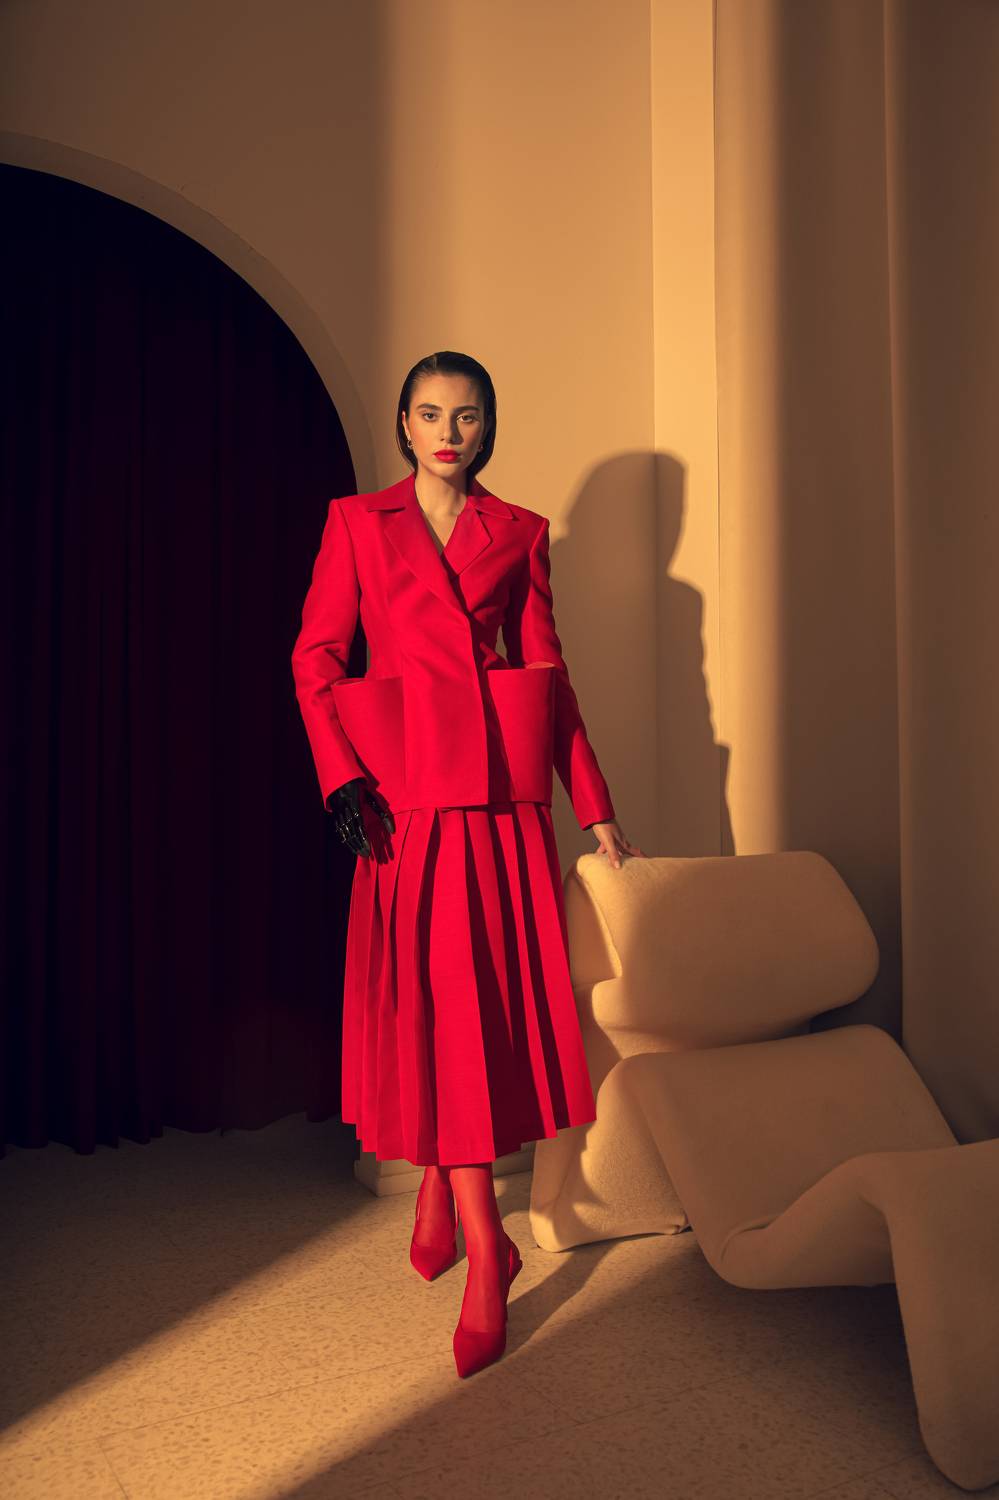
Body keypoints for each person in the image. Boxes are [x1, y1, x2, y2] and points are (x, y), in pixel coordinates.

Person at [291, 350, 644, 1378]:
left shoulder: (519, 532)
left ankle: (471, 1225)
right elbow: (316, 658)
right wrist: (341, 779)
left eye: (468, 416)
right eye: (431, 414)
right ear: (404, 425)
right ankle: (479, 1230)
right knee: (429, 1010)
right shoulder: (358, 523)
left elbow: (548, 676)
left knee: (474, 1014)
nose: (449, 433)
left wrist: (596, 805)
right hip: (403, 804)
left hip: (495, 806)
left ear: (487, 427)